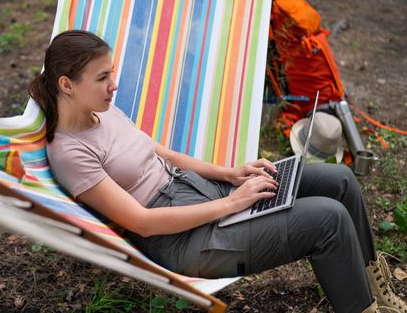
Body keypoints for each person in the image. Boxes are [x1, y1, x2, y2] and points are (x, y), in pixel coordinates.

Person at [28, 30, 406, 313]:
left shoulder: (101, 112)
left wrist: (229, 175)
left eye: (111, 73)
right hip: (182, 240)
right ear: (67, 85)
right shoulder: (69, 152)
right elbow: (142, 222)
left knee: (339, 181)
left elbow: (161, 153)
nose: (114, 85)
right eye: (102, 78)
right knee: (328, 220)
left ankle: (376, 291)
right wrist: (232, 204)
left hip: (202, 194)